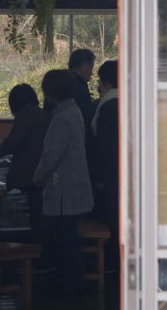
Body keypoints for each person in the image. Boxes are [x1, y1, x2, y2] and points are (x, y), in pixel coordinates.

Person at [33, 69, 94, 295]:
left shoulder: (63, 117)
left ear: (50, 93)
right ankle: (72, 279)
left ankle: (71, 281)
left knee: (65, 236)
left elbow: (52, 154)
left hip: (64, 186)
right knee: (69, 234)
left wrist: (38, 176)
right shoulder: (73, 111)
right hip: (75, 183)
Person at [0, 84, 52, 267]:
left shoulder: (27, 115)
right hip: (42, 174)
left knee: (36, 220)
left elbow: (13, 142)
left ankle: (34, 260)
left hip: (31, 174)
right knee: (40, 218)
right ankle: (40, 259)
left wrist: (0, 149)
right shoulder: (41, 114)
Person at [90, 60, 119, 273]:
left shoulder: (107, 106)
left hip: (113, 176)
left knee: (113, 221)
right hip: (134, 174)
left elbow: (104, 147)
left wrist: (99, 176)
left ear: (105, 82)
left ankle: (112, 265)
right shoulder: (135, 100)